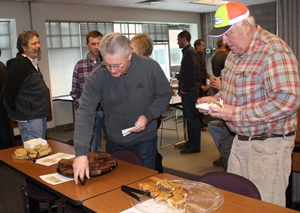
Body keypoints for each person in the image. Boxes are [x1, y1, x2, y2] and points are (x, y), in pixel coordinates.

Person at [198, 1, 299, 206]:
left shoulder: (273, 50)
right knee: (238, 204)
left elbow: (288, 100)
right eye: (221, 36)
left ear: (245, 26)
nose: (225, 41)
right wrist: (217, 100)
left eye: (228, 34)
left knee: (263, 207)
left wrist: (235, 114)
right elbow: (234, 92)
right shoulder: (235, 55)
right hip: (241, 141)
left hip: (268, 146)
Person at [72, 33, 172, 184]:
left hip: (145, 140)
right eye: (107, 64)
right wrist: (81, 153)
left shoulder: (149, 67)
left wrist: (148, 115)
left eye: (118, 65)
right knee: (117, 185)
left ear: (129, 56)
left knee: (144, 185)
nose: (112, 71)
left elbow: (164, 95)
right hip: (114, 139)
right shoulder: (97, 76)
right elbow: (85, 111)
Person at [4, 31, 50, 143]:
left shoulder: (31, 63)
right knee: (34, 151)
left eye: (38, 43)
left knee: (41, 149)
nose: (38, 46)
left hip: (38, 115)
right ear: (23, 47)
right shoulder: (19, 65)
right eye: (34, 44)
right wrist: (13, 113)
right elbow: (8, 91)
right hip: (30, 117)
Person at [130, 32, 164, 173]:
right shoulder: (130, 68)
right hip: (137, 122)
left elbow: (160, 95)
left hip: (149, 120)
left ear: (141, 50)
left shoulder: (151, 68)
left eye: (132, 48)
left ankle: (157, 173)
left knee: (147, 155)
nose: (128, 51)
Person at [70, 30, 107, 153]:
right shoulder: (80, 66)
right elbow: (75, 92)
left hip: (109, 112)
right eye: (93, 44)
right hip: (91, 112)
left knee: (115, 146)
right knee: (91, 147)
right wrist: (82, 107)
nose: (97, 47)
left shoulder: (109, 63)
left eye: (99, 43)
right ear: (87, 45)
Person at [176, 31, 201, 154]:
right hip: (188, 91)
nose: (177, 42)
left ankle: (195, 145)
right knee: (189, 118)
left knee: (192, 119)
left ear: (184, 39)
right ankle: (191, 142)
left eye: (178, 39)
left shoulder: (190, 52)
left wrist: (184, 88)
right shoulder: (187, 52)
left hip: (190, 91)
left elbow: (191, 72)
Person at [0, 49, 14, 149]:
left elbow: (6, 87)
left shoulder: (1, 68)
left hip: (1, 105)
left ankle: (7, 155)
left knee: (4, 133)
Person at [194, 39, 208, 131]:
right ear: (197, 46)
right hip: (198, 86)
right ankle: (199, 123)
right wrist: (201, 85)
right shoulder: (196, 57)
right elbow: (196, 73)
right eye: (203, 45)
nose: (204, 47)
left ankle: (201, 122)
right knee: (199, 104)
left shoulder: (200, 56)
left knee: (202, 103)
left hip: (202, 83)